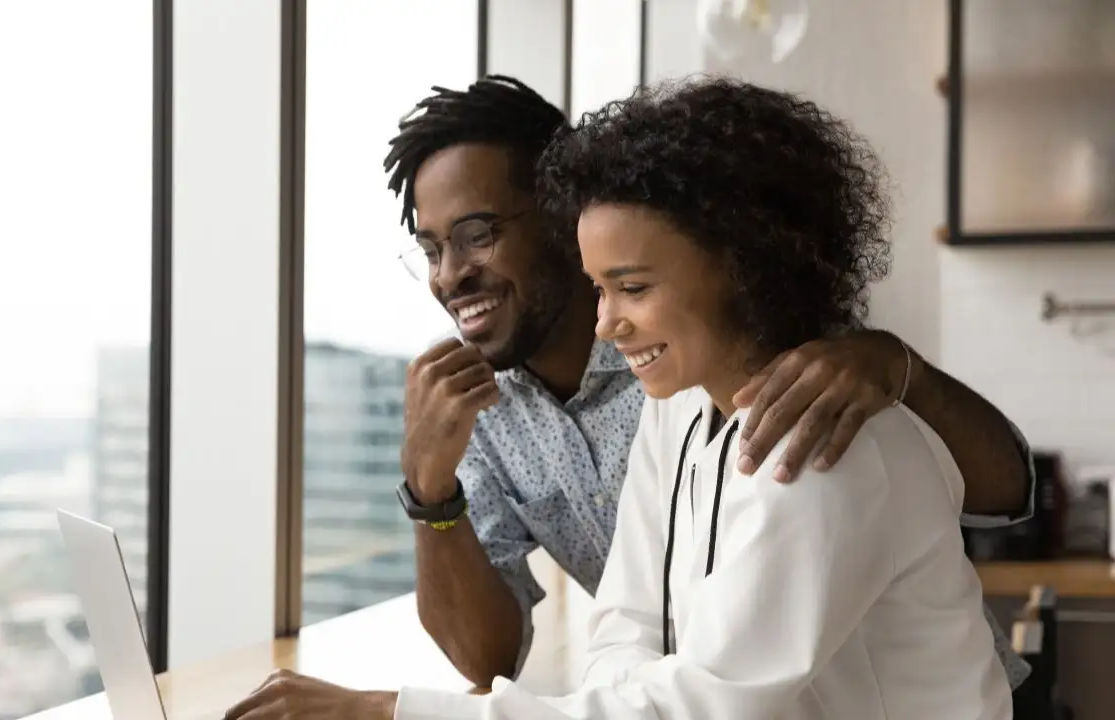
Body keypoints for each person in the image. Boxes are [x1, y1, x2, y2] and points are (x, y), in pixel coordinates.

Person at [223, 76, 1032, 720]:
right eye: (431, 248)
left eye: (476, 235)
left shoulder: (822, 417)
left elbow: (709, 699)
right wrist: (429, 491)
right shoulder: (675, 405)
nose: (448, 273)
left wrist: (385, 712)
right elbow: (622, 626)